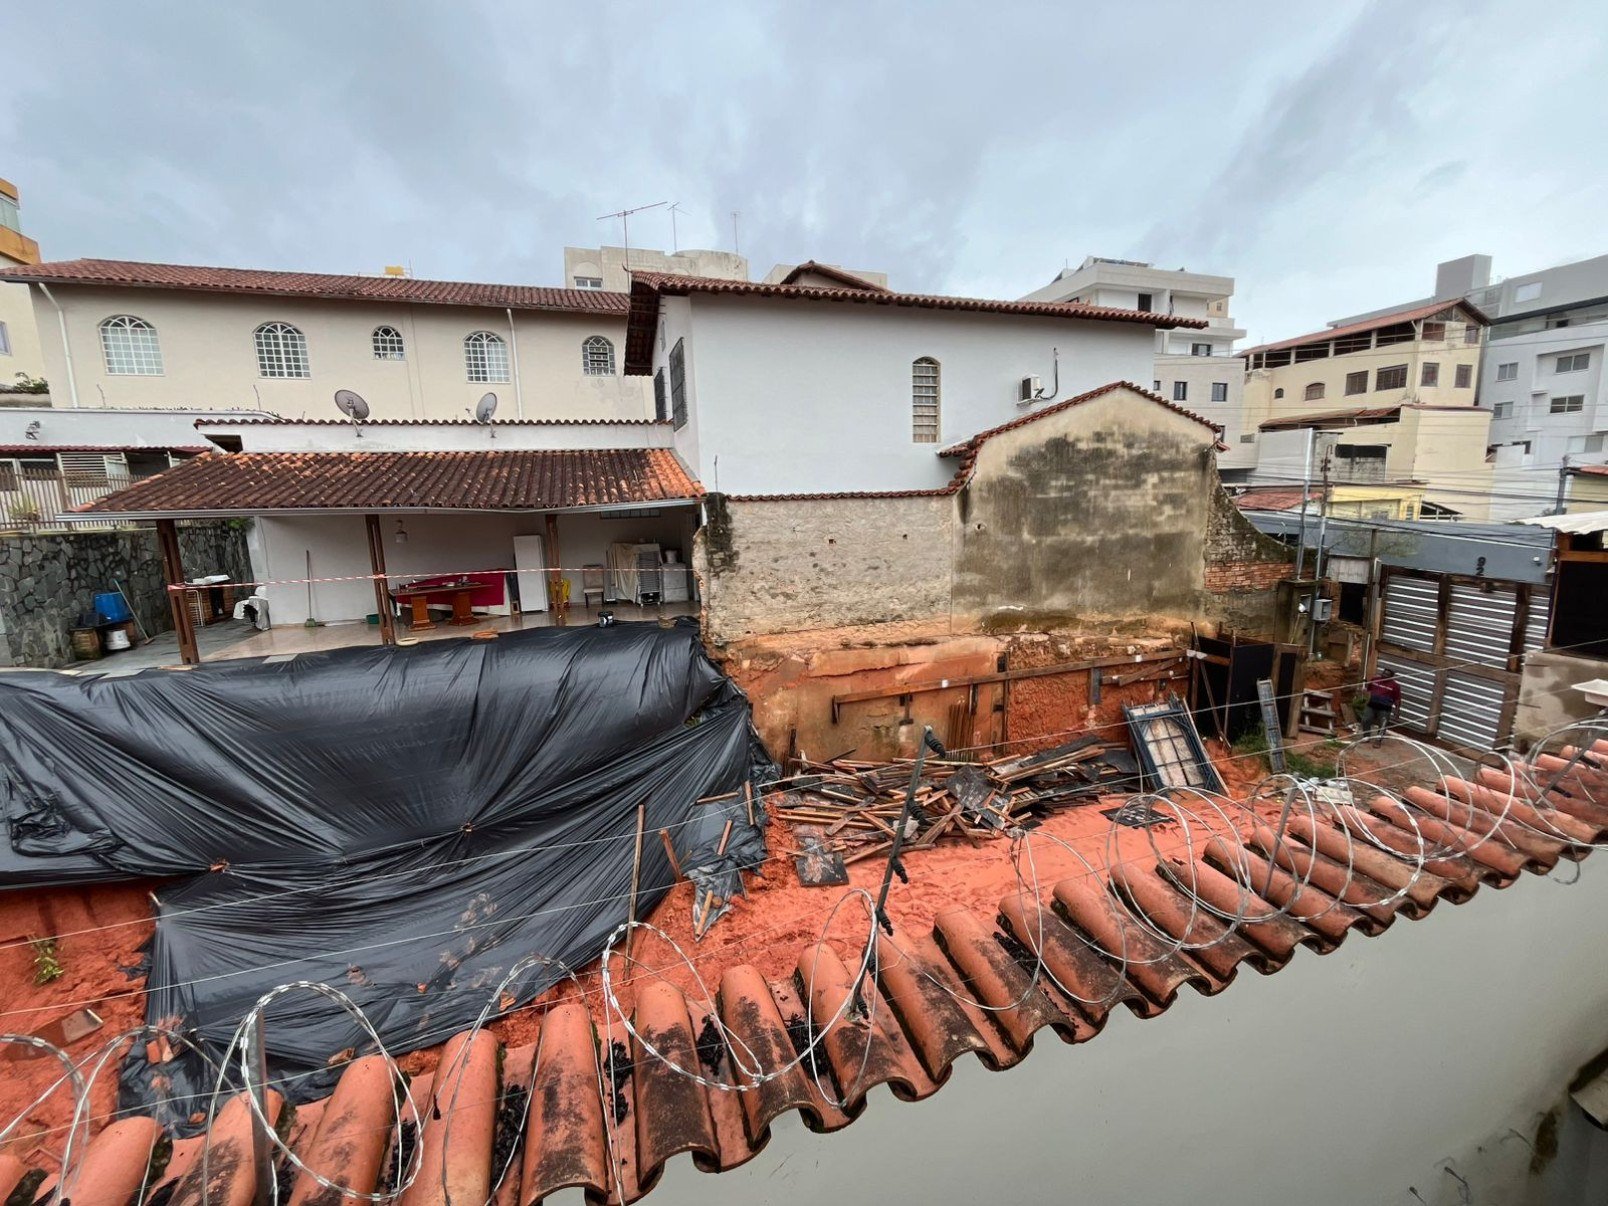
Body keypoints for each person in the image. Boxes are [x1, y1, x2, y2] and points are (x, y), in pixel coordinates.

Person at [1362, 668, 1400, 744]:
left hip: (1385, 708)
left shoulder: (1395, 686)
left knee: (1383, 724)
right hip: (1372, 705)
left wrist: (1397, 710)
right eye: (1384, 673)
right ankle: (1366, 737)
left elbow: (1397, 699)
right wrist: (1365, 694)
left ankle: (1378, 740)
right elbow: (1368, 690)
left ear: (1391, 677)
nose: (1384, 675)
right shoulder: (1374, 680)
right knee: (1366, 719)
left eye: (1387, 675)